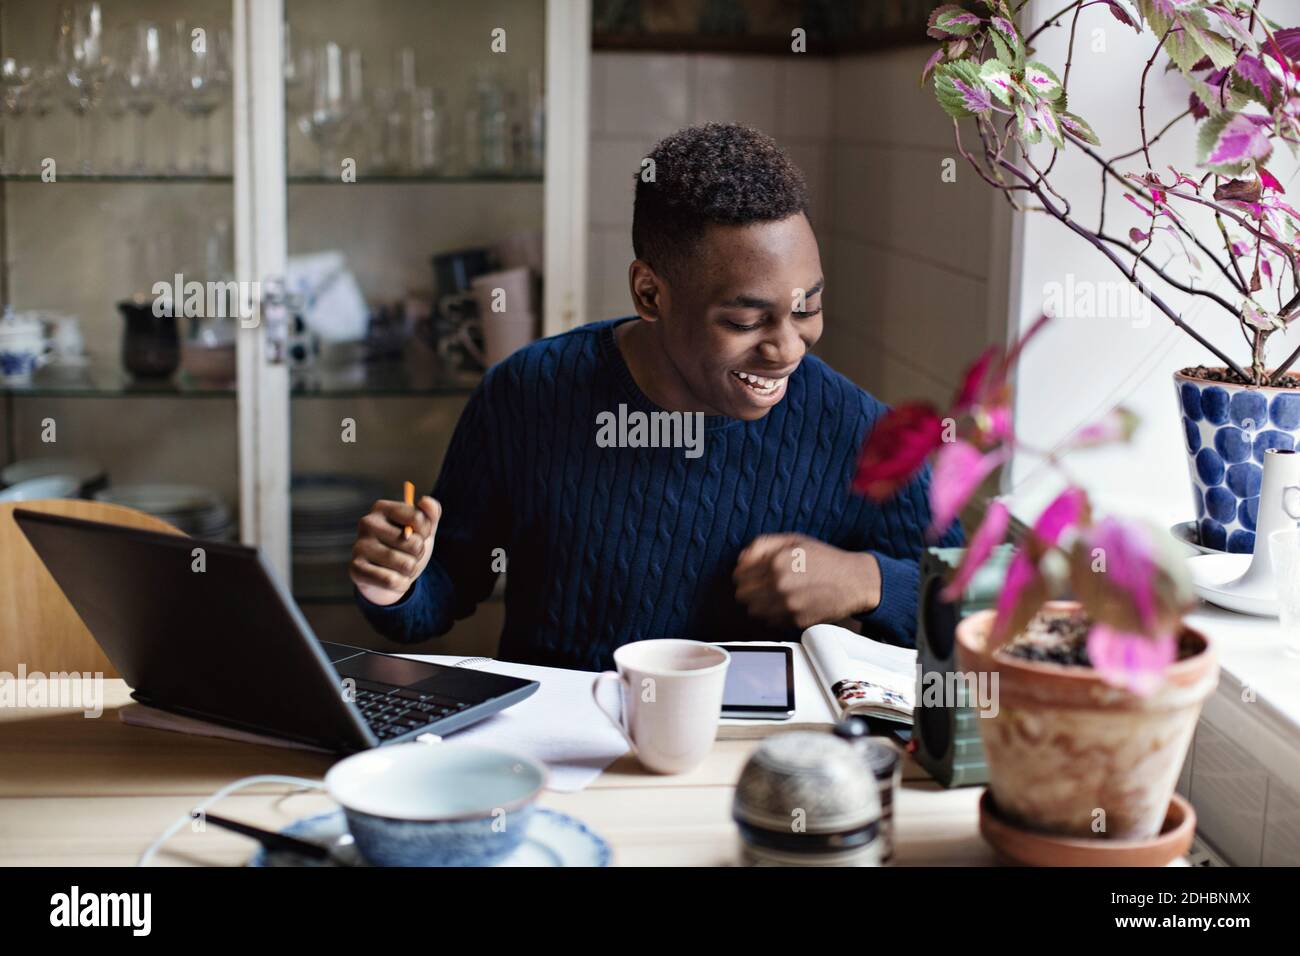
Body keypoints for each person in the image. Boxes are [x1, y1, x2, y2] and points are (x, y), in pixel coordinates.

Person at [350, 122, 963, 671]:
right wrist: (397, 583)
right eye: (746, 321)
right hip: (558, 754)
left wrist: (870, 580)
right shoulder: (527, 394)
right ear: (650, 294)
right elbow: (446, 589)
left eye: (808, 308)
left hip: (742, 772)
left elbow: (980, 603)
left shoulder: (854, 430)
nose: (787, 349)